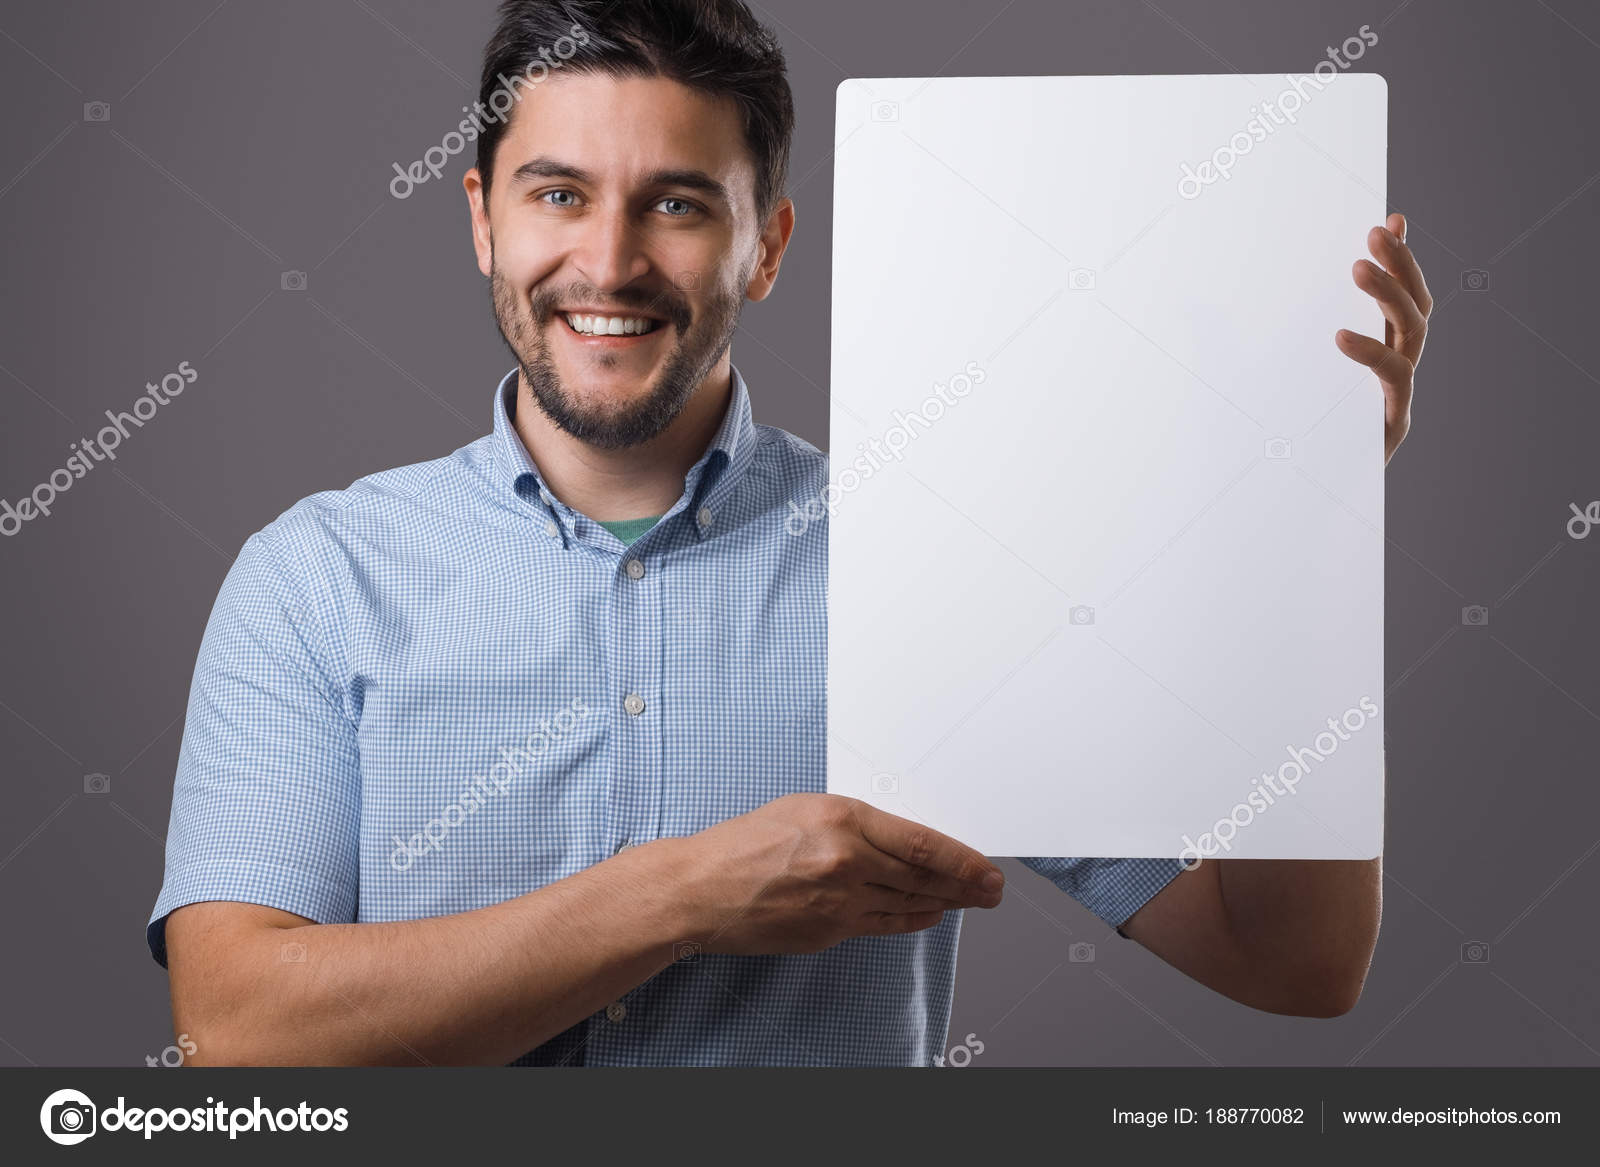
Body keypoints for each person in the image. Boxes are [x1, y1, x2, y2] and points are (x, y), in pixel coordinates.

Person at [149, 0, 1432, 1066]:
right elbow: (236, 1032)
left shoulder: (946, 563)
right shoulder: (317, 579)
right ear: (485, 218)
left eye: (676, 205)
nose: (608, 262)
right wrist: (683, 895)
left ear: (765, 246)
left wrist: (1296, 532)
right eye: (559, 194)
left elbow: (1293, 960)